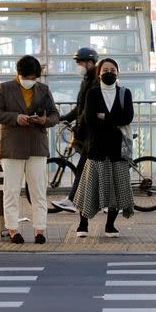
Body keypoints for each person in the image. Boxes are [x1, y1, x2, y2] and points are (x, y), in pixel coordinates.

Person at [0, 55, 59, 244]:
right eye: (27, 77)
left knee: (38, 190)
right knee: (11, 190)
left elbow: (55, 115)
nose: (30, 81)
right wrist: (15, 117)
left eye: (34, 78)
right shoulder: (5, 88)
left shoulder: (43, 89)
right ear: (19, 73)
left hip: (37, 145)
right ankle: (13, 229)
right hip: (12, 146)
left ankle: (40, 230)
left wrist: (45, 121)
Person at [72, 58, 135, 238]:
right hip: (97, 148)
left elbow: (127, 117)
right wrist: (113, 120)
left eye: (112, 69)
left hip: (118, 149)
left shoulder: (125, 93)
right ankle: (83, 224)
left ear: (117, 72)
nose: (109, 72)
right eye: (105, 69)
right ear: (99, 73)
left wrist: (104, 117)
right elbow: (91, 119)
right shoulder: (92, 93)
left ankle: (110, 225)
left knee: (117, 187)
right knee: (89, 188)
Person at [52, 47, 99, 213]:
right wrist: (63, 118)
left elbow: (88, 110)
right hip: (86, 132)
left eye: (80, 62)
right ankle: (99, 201)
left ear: (90, 62)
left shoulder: (96, 81)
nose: (78, 65)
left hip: (93, 134)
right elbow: (80, 108)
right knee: (89, 168)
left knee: (83, 167)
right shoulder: (86, 80)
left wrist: (79, 126)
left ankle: (72, 200)